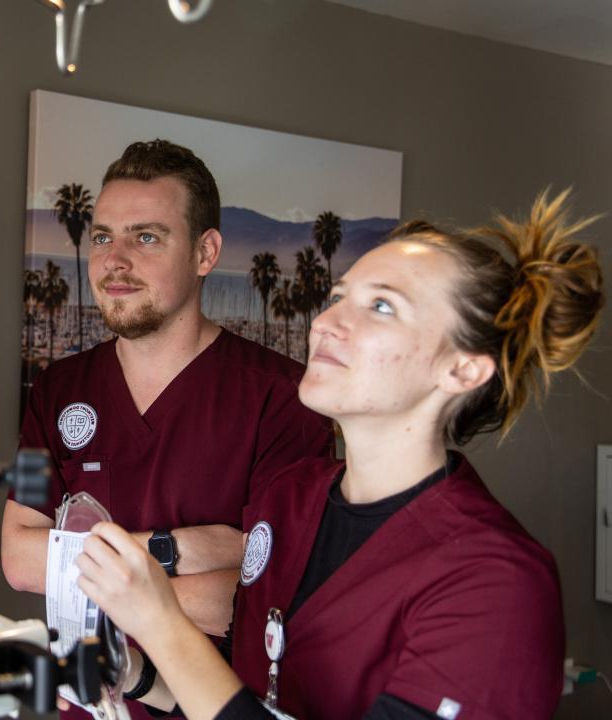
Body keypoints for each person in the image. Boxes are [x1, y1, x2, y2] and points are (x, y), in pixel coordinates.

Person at [73, 190, 604, 719]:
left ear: (463, 370)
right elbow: (243, 692)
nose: (324, 323)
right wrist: (135, 674)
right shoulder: (288, 500)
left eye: (381, 306)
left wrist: (161, 624)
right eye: (338, 298)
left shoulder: (496, 582)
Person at [1, 139, 332, 714]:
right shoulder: (58, 390)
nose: (114, 260)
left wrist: (106, 585)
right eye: (102, 236)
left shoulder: (283, 398)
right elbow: (19, 558)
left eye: (146, 237)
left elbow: (273, 595)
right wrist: (180, 549)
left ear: (205, 254)